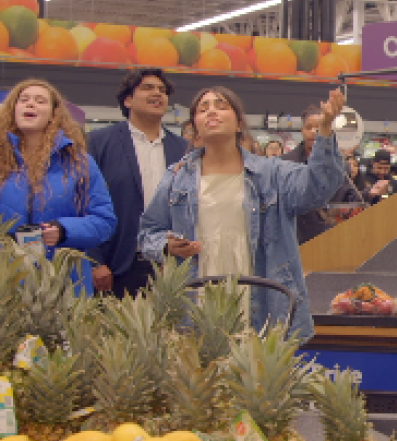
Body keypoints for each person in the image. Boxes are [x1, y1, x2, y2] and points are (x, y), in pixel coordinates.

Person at [138, 86, 346, 341]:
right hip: (195, 298)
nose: (211, 111)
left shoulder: (273, 173)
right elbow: (148, 233)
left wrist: (324, 130)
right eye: (203, 109)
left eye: (221, 105)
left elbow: (318, 188)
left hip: (260, 298)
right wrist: (166, 246)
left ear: (239, 123)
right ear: (195, 127)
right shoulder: (176, 177)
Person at [0, 79, 116, 294]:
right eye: (23, 100)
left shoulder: (79, 162)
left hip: (64, 284)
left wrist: (64, 231)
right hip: (8, 285)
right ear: (12, 109)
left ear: (54, 114)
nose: (30, 104)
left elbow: (104, 221)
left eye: (40, 101)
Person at [86, 69, 189, 297]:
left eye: (162, 90)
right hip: (115, 265)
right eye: (148, 87)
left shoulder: (183, 149)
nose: (157, 94)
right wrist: (94, 261)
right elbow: (83, 202)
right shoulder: (98, 143)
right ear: (128, 100)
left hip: (168, 264)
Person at [283, 106, 364, 244]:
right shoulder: (286, 163)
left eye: (319, 127)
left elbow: (349, 197)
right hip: (296, 237)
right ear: (302, 131)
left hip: (331, 237)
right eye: (309, 127)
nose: (314, 132)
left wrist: (369, 196)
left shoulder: (339, 164)